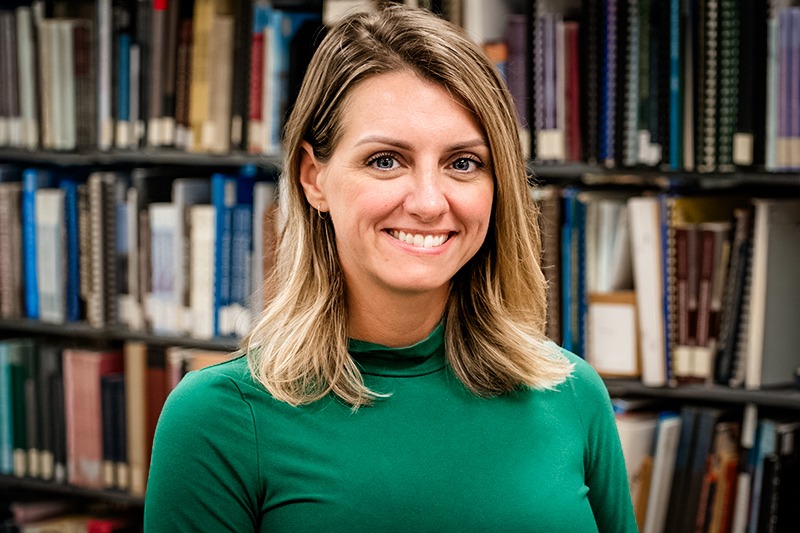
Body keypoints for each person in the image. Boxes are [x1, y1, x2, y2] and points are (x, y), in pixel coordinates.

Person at [144, 5, 637, 532]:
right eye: (386, 160)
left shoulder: (573, 393)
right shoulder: (218, 420)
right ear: (314, 179)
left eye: (463, 163)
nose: (428, 202)